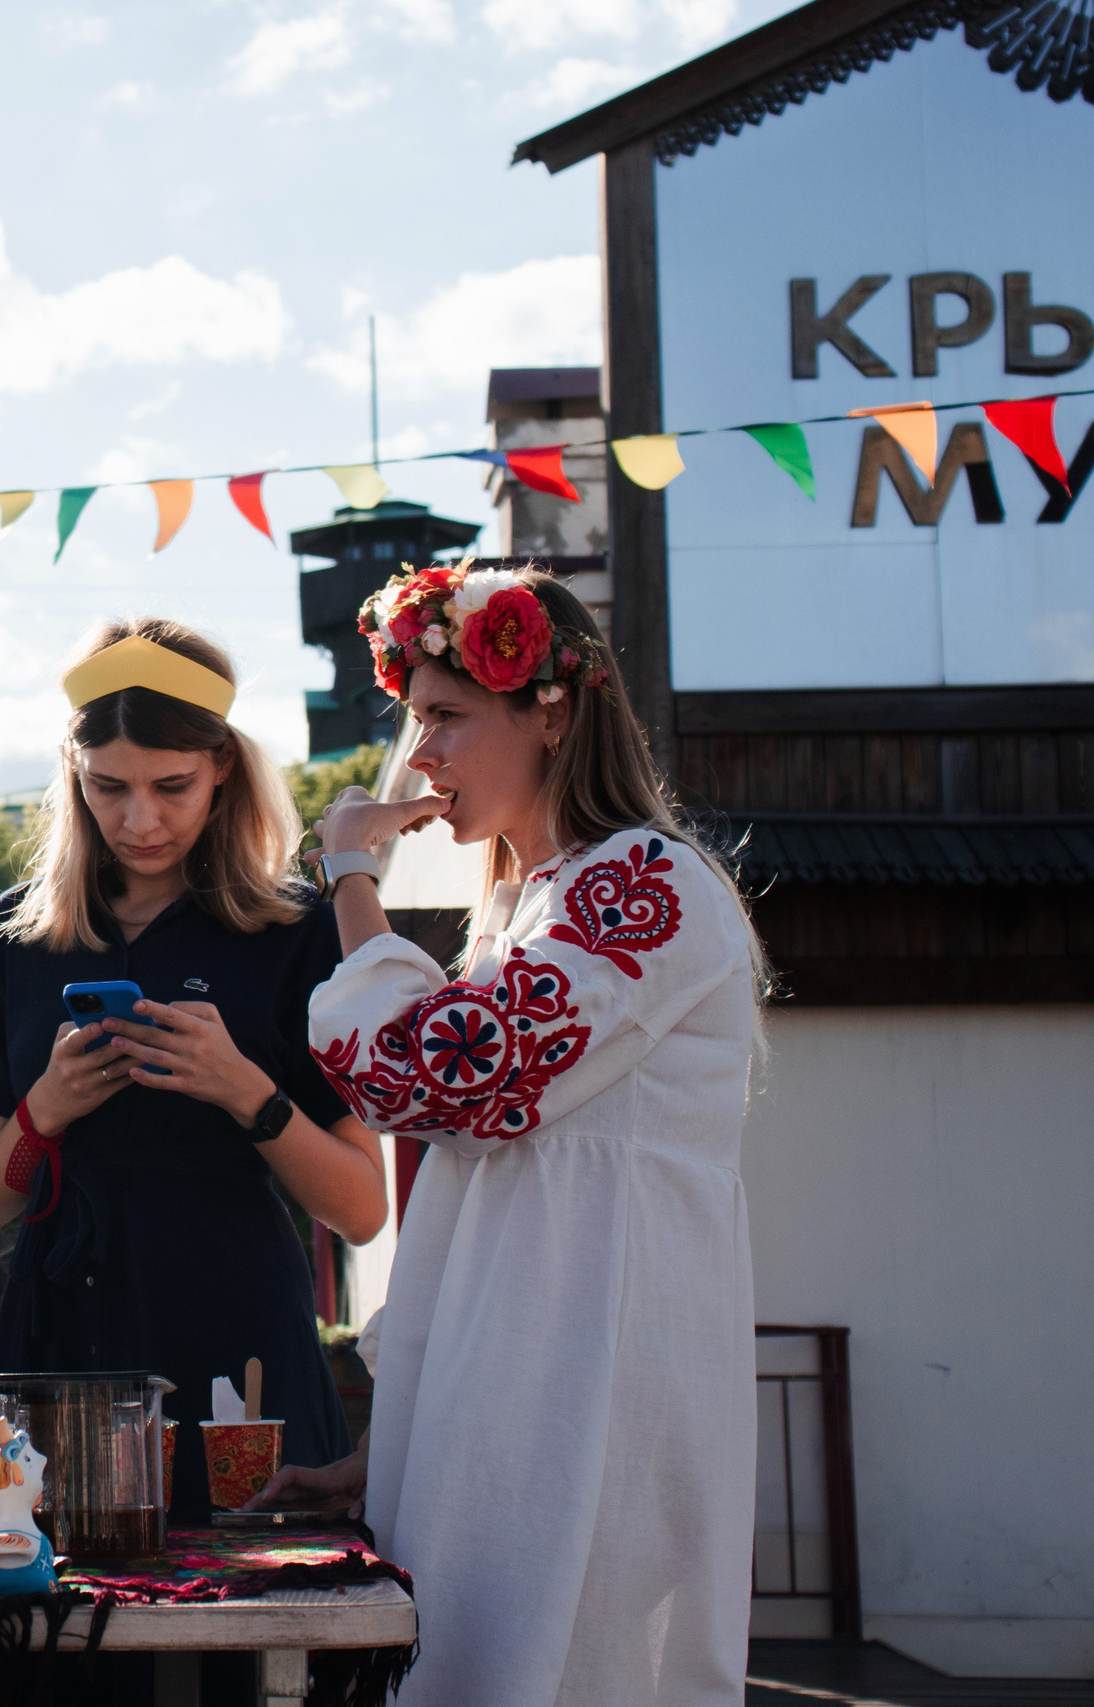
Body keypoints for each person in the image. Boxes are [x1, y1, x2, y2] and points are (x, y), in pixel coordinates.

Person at [263, 562, 761, 1706]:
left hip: (586, 1380)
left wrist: (352, 878)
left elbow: (423, 1078)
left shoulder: (645, 884)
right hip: (525, 1382)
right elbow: (484, 1182)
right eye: (414, 721)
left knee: (562, 1669)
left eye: (445, 716)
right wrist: (400, 1440)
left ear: (550, 710)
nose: (419, 757)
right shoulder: (533, 904)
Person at [0, 617, 390, 1517]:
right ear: (73, 774)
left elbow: (362, 1208)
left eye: (171, 786)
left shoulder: (294, 932)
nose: (140, 819)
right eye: (109, 786)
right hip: (59, 1342)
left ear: (223, 768)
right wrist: (45, 1109)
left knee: (253, 1593)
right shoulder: (17, 935)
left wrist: (245, 1090)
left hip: (237, 1339)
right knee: (50, 1598)